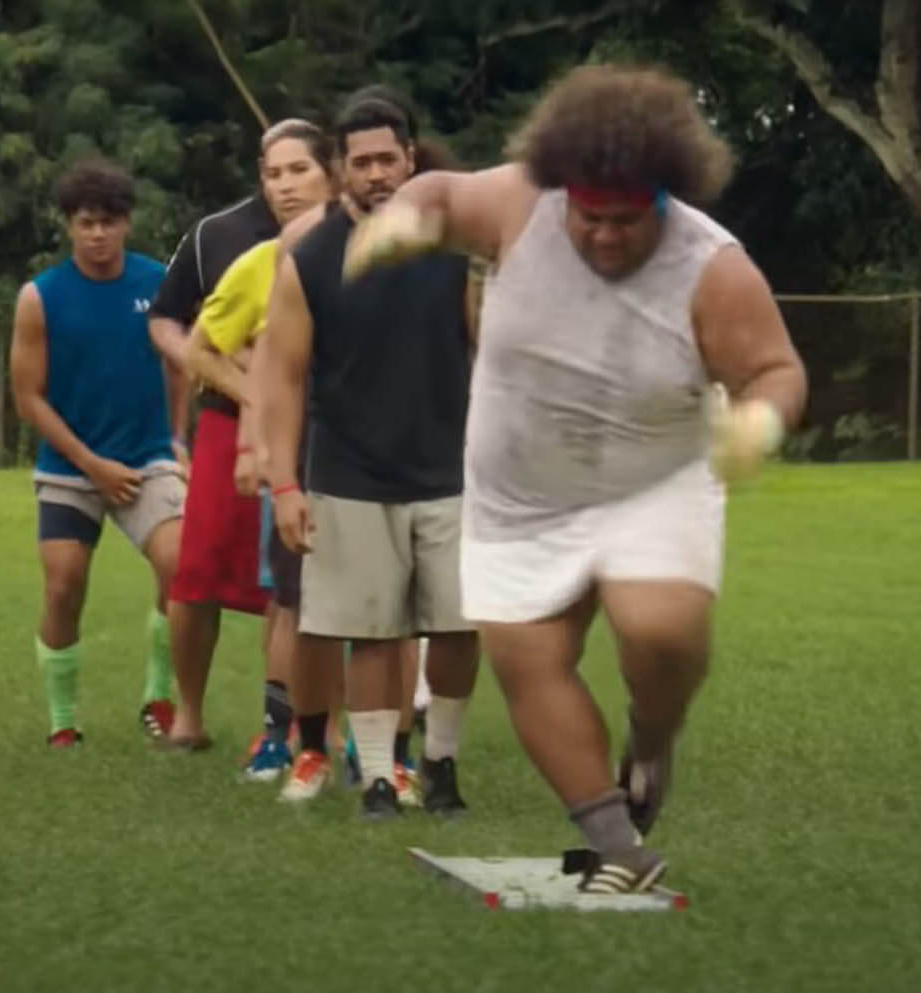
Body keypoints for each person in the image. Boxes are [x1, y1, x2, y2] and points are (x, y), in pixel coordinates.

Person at [344, 63, 808, 892]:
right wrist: (403, 220)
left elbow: (776, 370)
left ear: (664, 198)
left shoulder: (712, 267)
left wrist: (759, 421)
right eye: (588, 216)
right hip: (521, 490)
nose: (603, 236)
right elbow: (440, 194)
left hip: (654, 480)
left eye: (626, 220)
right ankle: (618, 843)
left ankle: (651, 740)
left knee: (661, 631)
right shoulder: (520, 203)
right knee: (527, 657)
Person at [257, 90, 483, 819]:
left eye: (389, 158)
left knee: (457, 629)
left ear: (411, 159)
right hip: (350, 474)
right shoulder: (311, 259)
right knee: (372, 634)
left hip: (450, 471)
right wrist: (284, 484)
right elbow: (282, 378)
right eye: (362, 162)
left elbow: (490, 350)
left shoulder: (455, 247)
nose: (378, 173)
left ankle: (440, 764)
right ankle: (380, 778)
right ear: (340, 169)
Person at [175, 118, 340, 777]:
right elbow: (199, 350)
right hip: (296, 454)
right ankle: (281, 735)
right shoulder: (261, 262)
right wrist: (263, 400)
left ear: (332, 172)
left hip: (371, 452)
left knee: (371, 603)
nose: (285, 186)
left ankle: (372, 746)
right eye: (273, 175)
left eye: (299, 170)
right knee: (291, 596)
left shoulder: (374, 248)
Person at [10, 158, 185, 749]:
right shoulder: (40, 297)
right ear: (69, 226)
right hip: (70, 468)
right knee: (63, 585)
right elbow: (28, 399)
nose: (98, 234)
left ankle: (158, 697)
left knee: (180, 568)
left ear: (127, 223)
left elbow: (180, 366)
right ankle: (63, 720)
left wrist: (178, 440)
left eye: (109, 222)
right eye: (86, 223)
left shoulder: (159, 283)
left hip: (147, 459)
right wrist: (92, 466)